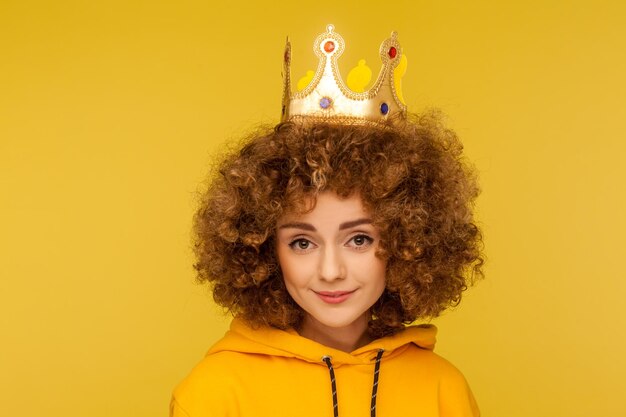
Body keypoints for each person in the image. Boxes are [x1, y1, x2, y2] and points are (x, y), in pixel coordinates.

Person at [171, 25, 483, 417]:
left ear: (408, 243)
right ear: (264, 250)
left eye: (359, 240)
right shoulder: (213, 394)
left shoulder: (443, 389)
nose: (331, 272)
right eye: (302, 242)